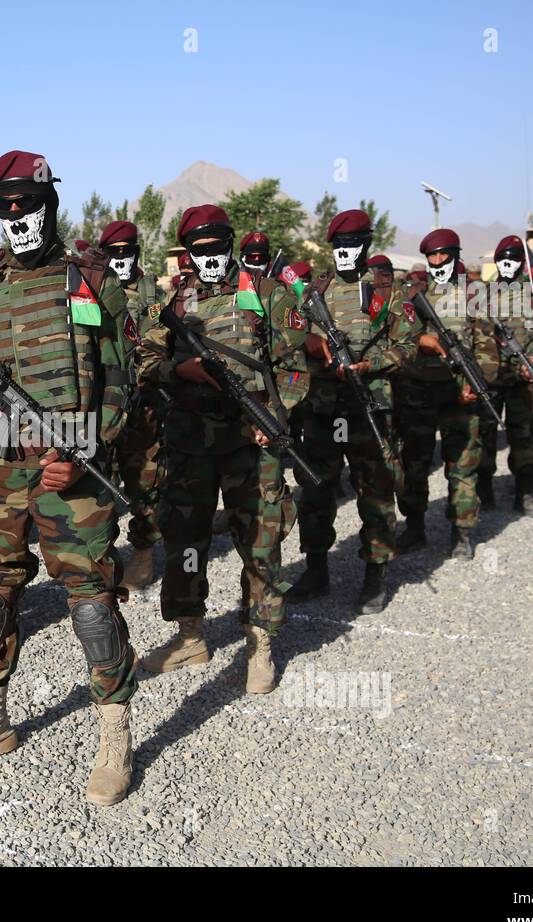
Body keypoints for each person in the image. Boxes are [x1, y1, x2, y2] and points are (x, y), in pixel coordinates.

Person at [0, 150, 137, 805]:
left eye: (34, 203)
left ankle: (115, 734)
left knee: (90, 602)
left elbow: (120, 381)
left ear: (52, 204)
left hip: (68, 468)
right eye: (10, 207)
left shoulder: (89, 280)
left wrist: (82, 448)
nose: (21, 217)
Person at [136, 205, 307, 690]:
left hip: (253, 442)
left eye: (217, 248)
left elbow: (295, 365)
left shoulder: (266, 294)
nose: (209, 258)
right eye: (199, 250)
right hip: (191, 441)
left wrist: (275, 414)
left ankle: (260, 643)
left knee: (261, 539)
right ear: (186, 253)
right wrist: (178, 370)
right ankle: (190, 636)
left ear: (231, 245)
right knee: (186, 539)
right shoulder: (174, 305)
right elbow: (143, 361)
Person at [287, 209, 417, 614]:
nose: (345, 252)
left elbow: (409, 347)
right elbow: (290, 334)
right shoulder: (316, 291)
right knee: (316, 492)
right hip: (324, 410)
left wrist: (373, 364)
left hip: (368, 410)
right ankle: (316, 569)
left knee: (375, 493)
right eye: (339, 245)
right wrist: (308, 341)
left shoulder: (387, 292)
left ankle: (375, 575)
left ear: (366, 246)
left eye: (353, 245)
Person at [395, 229, 497, 559]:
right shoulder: (413, 294)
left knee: (463, 464)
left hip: (459, 395)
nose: (438, 261)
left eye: (443, 255)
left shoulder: (474, 294)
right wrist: (421, 340)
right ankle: (415, 527)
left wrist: (477, 383)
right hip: (418, 392)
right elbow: (398, 336)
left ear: (455, 255)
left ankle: (462, 531)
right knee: (415, 463)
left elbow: (487, 346)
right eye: (432, 257)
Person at [97, 219, 162, 589]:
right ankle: (102, 551)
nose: (121, 259)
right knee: (98, 477)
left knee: (144, 479)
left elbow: (158, 337)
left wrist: (145, 367)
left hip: (140, 401)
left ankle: (142, 552)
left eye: (127, 252)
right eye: (114, 253)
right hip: (102, 399)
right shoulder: (90, 289)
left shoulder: (150, 293)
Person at [474, 236, 533, 515]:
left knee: (524, 437)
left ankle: (526, 492)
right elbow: (474, 336)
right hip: (492, 378)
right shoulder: (482, 295)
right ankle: (484, 489)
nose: (508, 265)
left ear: (522, 262)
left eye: (514, 259)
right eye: (503, 259)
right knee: (484, 435)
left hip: (523, 379)